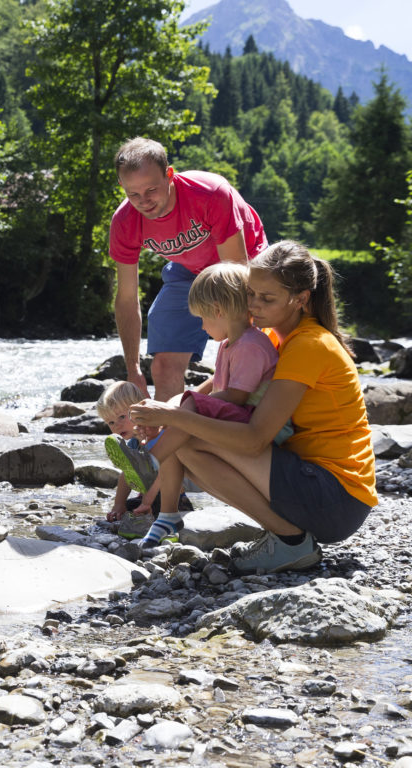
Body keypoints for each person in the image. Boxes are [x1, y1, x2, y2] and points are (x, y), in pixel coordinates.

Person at [128, 241, 378, 574]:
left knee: (187, 435)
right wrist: (168, 408)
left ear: (300, 299)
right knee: (185, 436)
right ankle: (281, 533)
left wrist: (174, 417)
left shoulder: (309, 345)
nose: (254, 306)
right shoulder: (276, 336)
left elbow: (254, 439)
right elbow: (217, 390)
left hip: (335, 498)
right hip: (316, 485)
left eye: (267, 298)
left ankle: (290, 541)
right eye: (251, 294)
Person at [107, 262, 290, 547]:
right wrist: (173, 408)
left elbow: (237, 396)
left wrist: (181, 409)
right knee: (180, 415)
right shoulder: (231, 343)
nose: (202, 328)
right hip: (239, 414)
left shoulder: (251, 345)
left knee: (185, 410)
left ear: (218, 311)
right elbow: (217, 387)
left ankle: (150, 460)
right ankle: (168, 514)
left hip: (258, 422)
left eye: (202, 319)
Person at [110, 137, 267, 401]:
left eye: (151, 190)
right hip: (188, 269)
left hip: (244, 265)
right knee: (162, 366)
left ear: (169, 174)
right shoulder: (125, 222)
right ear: (121, 186)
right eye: (133, 194)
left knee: (243, 359)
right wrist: (133, 369)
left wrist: (232, 349)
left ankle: (238, 429)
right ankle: (166, 438)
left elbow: (235, 275)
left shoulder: (210, 194)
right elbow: (126, 298)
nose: (144, 201)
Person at [95, 381, 162, 540]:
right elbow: (126, 474)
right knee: (128, 510)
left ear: (139, 409)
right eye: (111, 422)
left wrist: (147, 501)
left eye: (122, 417)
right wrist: (119, 504)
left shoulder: (155, 436)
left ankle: (157, 512)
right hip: (148, 498)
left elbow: (166, 473)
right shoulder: (132, 443)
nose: (117, 425)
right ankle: (144, 510)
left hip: (170, 496)